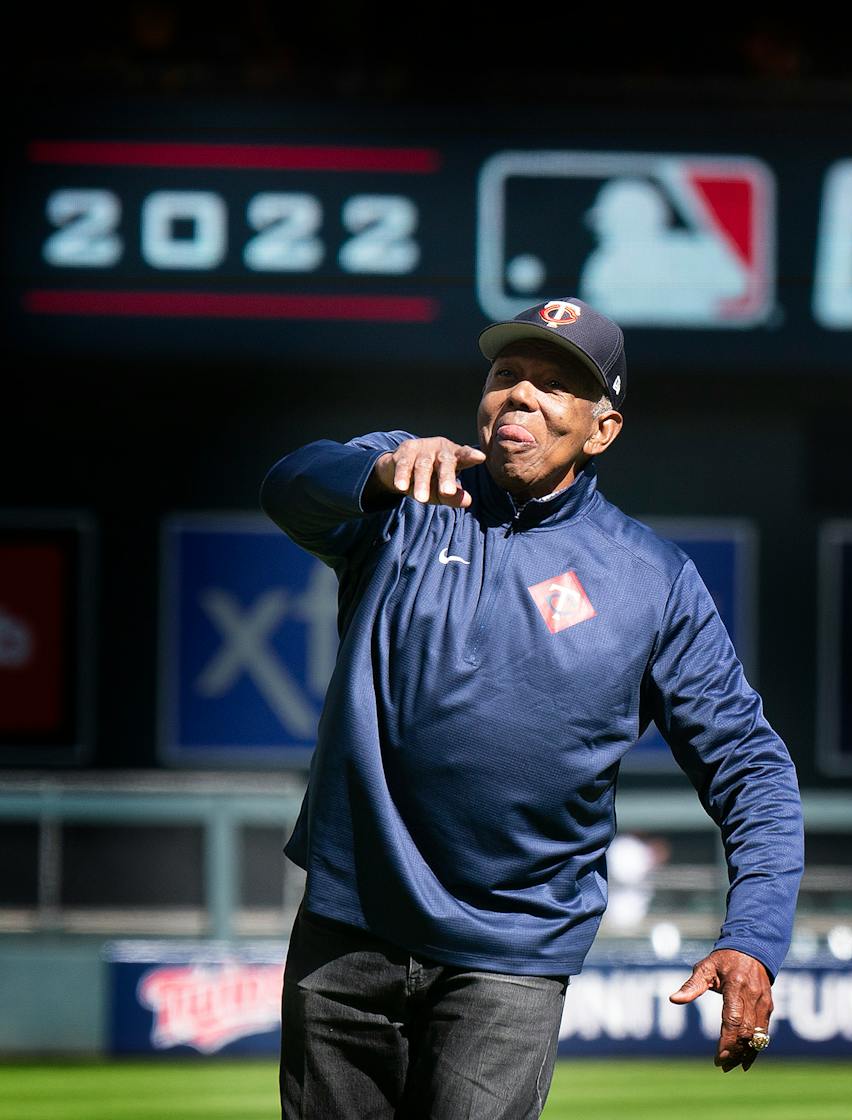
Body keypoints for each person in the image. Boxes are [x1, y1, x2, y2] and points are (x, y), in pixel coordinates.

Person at [264, 296, 803, 1119]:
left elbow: (750, 767)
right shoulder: (405, 486)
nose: (519, 394)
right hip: (348, 931)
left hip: (508, 956)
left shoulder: (650, 579)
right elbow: (290, 488)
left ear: (601, 431)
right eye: (506, 374)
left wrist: (753, 938)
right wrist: (375, 473)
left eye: (554, 385)